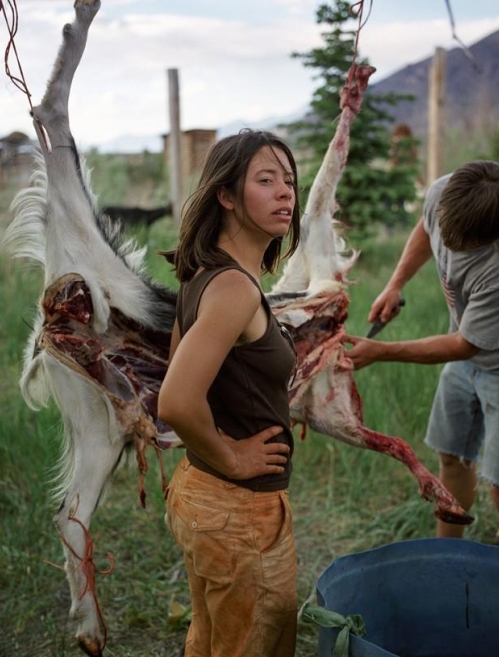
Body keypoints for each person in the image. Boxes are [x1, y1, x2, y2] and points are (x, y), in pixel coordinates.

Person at [344, 160, 499, 574]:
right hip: (466, 348)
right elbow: (426, 229)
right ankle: (446, 566)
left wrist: (381, 350)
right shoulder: (445, 192)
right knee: (452, 459)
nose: (452, 247)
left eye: (466, 243)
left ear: (498, 233)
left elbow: (465, 344)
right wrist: (395, 283)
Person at [157, 129, 301, 656]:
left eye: (290, 181)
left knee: (212, 639)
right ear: (226, 195)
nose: (285, 192)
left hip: (201, 494)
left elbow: (186, 370)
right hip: (238, 511)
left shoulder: (206, 275)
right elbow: (176, 400)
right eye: (266, 180)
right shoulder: (235, 288)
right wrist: (233, 457)